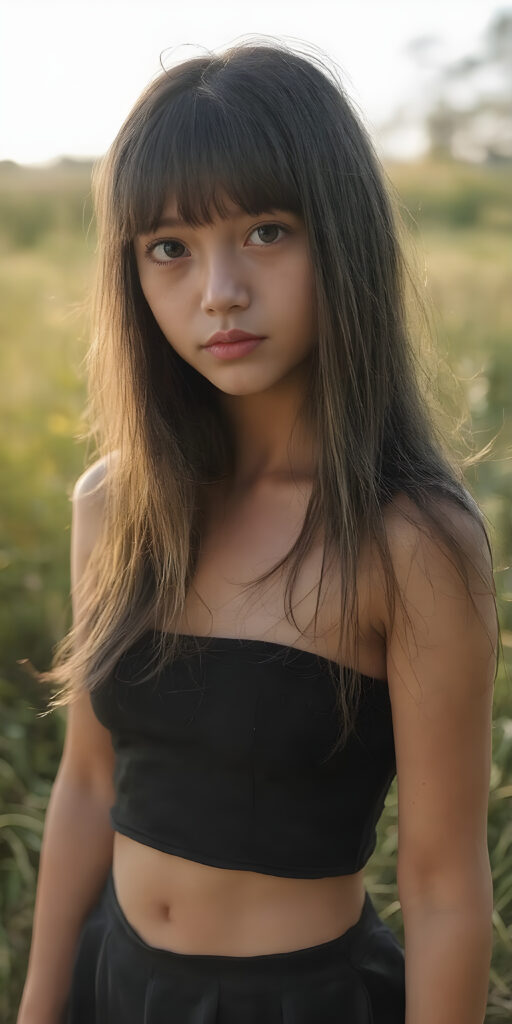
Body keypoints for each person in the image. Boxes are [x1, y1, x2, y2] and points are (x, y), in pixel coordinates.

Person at [17, 36, 499, 1024]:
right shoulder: (114, 505)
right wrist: (37, 1005)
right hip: (112, 982)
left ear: (342, 236)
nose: (219, 291)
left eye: (267, 232)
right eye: (169, 249)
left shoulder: (408, 543)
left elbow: (445, 886)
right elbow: (86, 786)